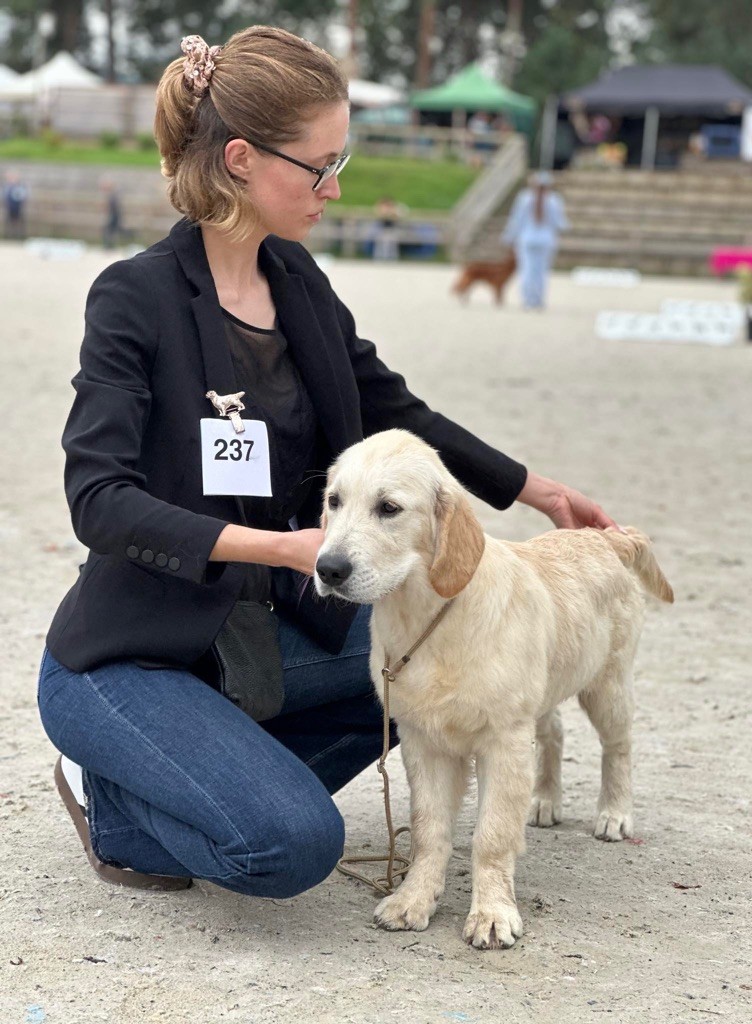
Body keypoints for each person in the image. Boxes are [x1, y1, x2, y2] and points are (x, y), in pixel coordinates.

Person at [37, 27, 618, 900]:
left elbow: (394, 409)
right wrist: (279, 548)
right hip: (139, 651)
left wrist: (535, 489)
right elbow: (99, 501)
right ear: (240, 158)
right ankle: (115, 797)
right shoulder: (136, 298)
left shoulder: (299, 280)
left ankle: (204, 772)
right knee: (288, 851)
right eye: (319, 166)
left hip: (277, 629)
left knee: (436, 653)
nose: (335, 187)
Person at [501, 170, 569, 310]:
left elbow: (516, 221)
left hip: (527, 238)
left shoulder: (525, 198)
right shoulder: (554, 200)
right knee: (541, 271)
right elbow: (560, 223)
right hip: (546, 239)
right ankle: (538, 300)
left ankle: (527, 299)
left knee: (527, 269)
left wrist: (508, 238)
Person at [3, 170, 28, 240]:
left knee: (19, 223)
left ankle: (19, 237)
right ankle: (8, 236)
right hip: (9, 208)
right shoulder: (7, 187)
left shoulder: (20, 186)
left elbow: (22, 196)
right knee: (9, 222)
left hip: (18, 208)